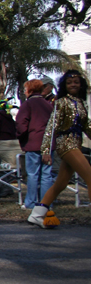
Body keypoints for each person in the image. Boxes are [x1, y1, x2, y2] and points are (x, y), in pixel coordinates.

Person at [29, 70, 91, 229]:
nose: (73, 85)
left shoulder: (82, 103)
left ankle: (36, 215)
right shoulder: (61, 102)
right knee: (89, 176)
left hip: (76, 145)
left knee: (60, 184)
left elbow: (87, 127)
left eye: (76, 82)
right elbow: (51, 127)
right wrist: (45, 150)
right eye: (70, 83)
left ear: (81, 84)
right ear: (64, 85)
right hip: (66, 144)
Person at [16, 79, 54, 211]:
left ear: (30, 90)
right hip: (48, 145)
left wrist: (21, 136)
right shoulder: (48, 104)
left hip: (33, 143)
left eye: (26, 90)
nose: (25, 92)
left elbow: (21, 125)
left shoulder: (28, 104)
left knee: (33, 174)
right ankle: (46, 203)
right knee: (47, 174)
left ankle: (31, 202)